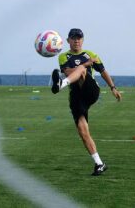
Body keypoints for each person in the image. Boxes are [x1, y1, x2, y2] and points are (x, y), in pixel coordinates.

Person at [51, 28, 122, 175]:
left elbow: (103, 71)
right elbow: (68, 72)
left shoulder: (91, 54)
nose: (76, 40)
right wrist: (85, 64)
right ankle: (99, 164)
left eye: (79, 38)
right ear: (68, 40)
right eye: (73, 38)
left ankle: (61, 85)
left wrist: (113, 88)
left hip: (90, 91)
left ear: (82, 40)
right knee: (83, 132)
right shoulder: (63, 56)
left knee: (82, 70)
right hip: (77, 97)